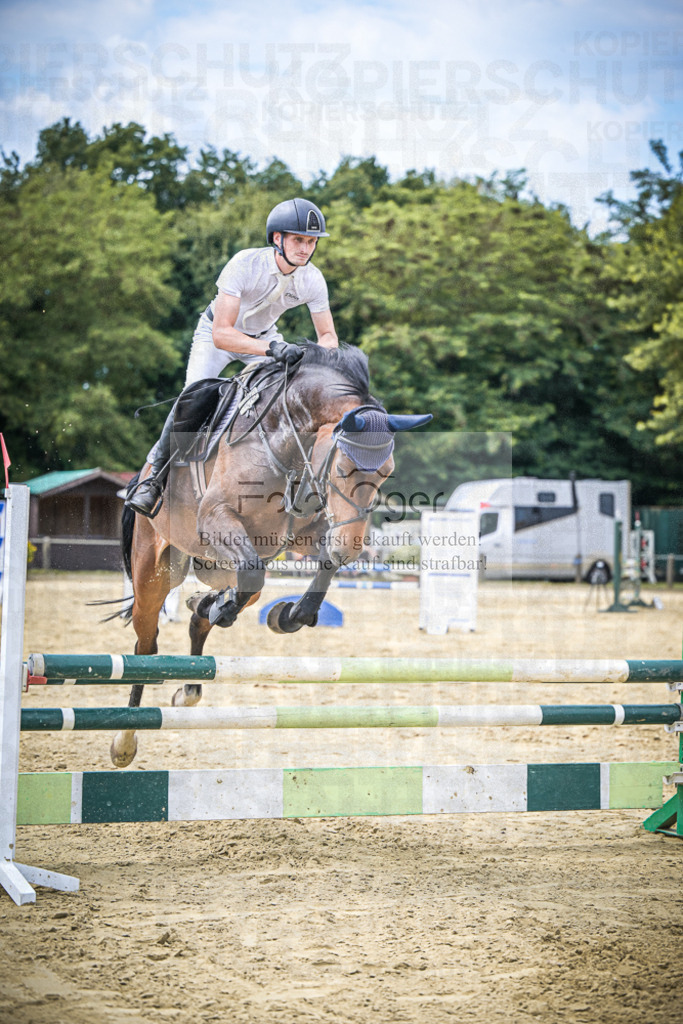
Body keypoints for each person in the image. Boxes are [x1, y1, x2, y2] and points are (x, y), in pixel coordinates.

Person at [125, 198, 338, 517]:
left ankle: (299, 482)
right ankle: (154, 478)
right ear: (277, 239)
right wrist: (273, 350)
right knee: (194, 395)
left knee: (296, 398)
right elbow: (222, 333)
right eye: (298, 239)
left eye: (311, 241)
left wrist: (319, 357)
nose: (306, 248)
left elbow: (328, 336)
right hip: (217, 336)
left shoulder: (312, 279)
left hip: (265, 339)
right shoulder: (244, 264)